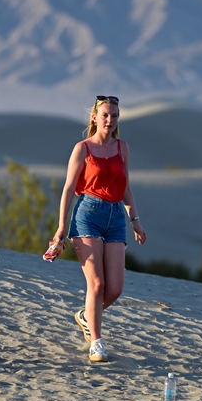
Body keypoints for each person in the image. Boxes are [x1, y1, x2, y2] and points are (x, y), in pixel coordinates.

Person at [47, 95, 147, 363]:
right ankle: (97, 343)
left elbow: (126, 187)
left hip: (115, 217)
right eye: (105, 115)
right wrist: (60, 228)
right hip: (87, 215)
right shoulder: (83, 148)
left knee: (114, 289)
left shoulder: (122, 148)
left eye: (114, 115)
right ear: (94, 117)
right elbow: (68, 189)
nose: (110, 120)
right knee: (98, 283)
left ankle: (84, 315)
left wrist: (135, 220)